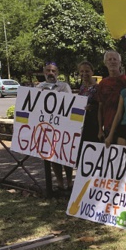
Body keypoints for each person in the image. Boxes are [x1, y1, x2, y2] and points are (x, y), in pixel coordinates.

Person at [36, 62, 73, 191]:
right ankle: (59, 183)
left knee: (66, 155)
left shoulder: (64, 86)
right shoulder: (39, 87)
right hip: (47, 127)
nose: (51, 73)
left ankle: (69, 181)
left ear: (57, 73)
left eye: (53, 71)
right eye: (48, 71)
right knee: (53, 156)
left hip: (63, 126)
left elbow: (69, 103)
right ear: (44, 73)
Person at [97, 50, 126, 141]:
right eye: (109, 59)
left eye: (115, 59)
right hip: (108, 126)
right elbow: (100, 108)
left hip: (125, 126)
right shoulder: (102, 84)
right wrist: (100, 129)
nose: (112, 61)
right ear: (105, 63)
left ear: (120, 63)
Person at [77, 61, 99, 145]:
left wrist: (92, 107)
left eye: (87, 71)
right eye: (82, 71)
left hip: (93, 123)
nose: (84, 73)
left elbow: (101, 106)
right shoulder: (82, 87)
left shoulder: (97, 87)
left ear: (92, 72)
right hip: (82, 123)